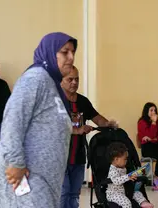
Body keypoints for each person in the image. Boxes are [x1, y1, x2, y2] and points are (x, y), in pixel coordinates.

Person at [0, 32, 78, 208]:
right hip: (24, 177)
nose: (71, 57)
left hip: (42, 180)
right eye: (65, 52)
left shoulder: (52, 84)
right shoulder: (35, 78)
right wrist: (15, 162)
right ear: (50, 52)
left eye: (73, 52)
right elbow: (13, 119)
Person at [60, 66, 118, 208]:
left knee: (74, 193)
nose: (74, 82)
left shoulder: (83, 101)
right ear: (61, 81)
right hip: (59, 157)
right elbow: (53, 128)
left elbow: (97, 118)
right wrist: (78, 130)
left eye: (77, 79)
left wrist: (108, 123)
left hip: (78, 156)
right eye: (70, 79)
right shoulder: (55, 101)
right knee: (63, 192)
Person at [106, 142, 154, 208]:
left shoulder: (122, 167)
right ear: (116, 160)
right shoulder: (113, 170)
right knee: (126, 203)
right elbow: (115, 181)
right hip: (114, 194)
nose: (126, 161)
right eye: (125, 159)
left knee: (137, 193)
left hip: (125, 191)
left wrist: (136, 174)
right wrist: (128, 177)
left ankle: (143, 202)